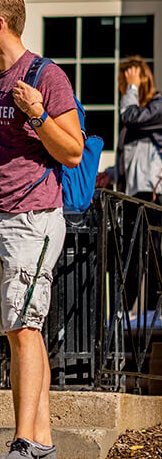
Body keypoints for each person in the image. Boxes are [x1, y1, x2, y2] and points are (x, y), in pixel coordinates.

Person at [0, 0, 84, 459]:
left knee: (25, 326)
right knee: (16, 331)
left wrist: (37, 113)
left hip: (33, 217)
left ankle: (25, 442)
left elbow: (73, 151)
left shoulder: (47, 75)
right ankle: (43, 444)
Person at [96, 56, 162, 308]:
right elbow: (133, 158)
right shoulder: (139, 113)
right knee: (131, 261)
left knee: (153, 258)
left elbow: (130, 116)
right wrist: (111, 174)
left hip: (153, 196)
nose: (122, 88)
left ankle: (151, 320)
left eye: (125, 82)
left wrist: (132, 87)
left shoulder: (156, 107)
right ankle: (122, 323)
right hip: (134, 197)